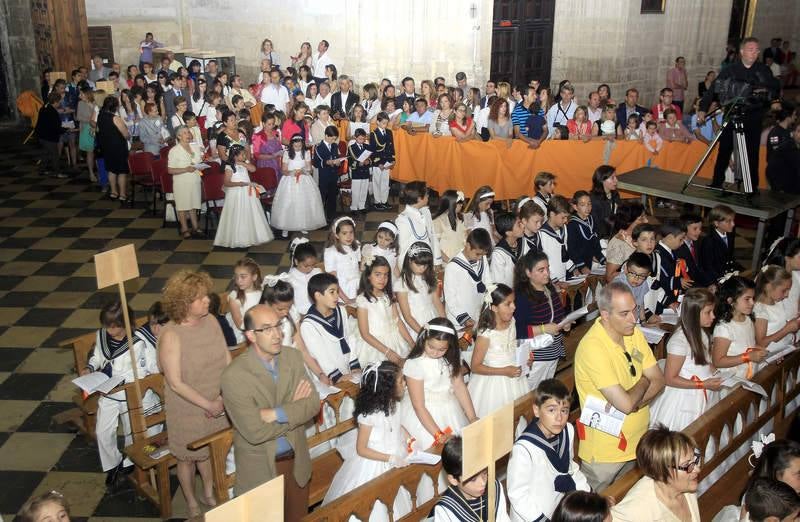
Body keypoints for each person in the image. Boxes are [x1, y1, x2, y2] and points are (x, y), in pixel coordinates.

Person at [220, 304, 318, 521]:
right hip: (262, 467)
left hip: (297, 462)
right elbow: (254, 432)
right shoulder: (234, 376)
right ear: (250, 335)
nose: (277, 334)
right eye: (267, 329)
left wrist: (275, 413)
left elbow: (313, 404)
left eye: (278, 326)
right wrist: (294, 410)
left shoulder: (292, 357)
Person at [574, 282, 665, 491]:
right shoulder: (593, 347)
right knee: (594, 509)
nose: (633, 319)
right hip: (605, 450)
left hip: (637, 441)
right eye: (624, 313)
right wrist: (643, 380)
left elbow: (659, 379)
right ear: (605, 315)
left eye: (634, 310)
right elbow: (625, 403)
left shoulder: (633, 333)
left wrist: (634, 403)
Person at [158, 270, 230, 518]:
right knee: (188, 458)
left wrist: (222, 396)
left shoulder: (210, 320)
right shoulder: (171, 334)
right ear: (184, 304)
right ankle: (190, 501)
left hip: (217, 397)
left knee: (210, 452)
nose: (207, 301)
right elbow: (175, 382)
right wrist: (208, 404)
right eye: (200, 298)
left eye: (206, 296)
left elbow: (226, 357)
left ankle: (208, 491)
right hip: (187, 406)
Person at [79, 300, 160, 485]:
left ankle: (129, 462)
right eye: (107, 326)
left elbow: (144, 370)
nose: (109, 331)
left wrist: (123, 379)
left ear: (124, 324)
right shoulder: (102, 336)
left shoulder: (138, 342)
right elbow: (97, 356)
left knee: (133, 430)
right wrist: (89, 368)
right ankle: (113, 463)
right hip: (107, 391)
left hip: (131, 394)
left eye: (114, 327)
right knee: (103, 431)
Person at [322, 361, 412, 521]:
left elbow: (398, 425)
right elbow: (361, 449)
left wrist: (410, 439)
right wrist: (389, 458)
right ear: (387, 387)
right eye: (400, 381)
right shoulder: (369, 415)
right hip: (374, 463)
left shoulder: (395, 404)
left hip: (396, 453)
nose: (405, 383)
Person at [698, 37, 781, 190]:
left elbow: (773, 87)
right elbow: (713, 91)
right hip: (731, 114)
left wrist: (775, 99)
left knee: (752, 153)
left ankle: (751, 187)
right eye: (751, 49)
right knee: (724, 150)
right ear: (742, 52)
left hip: (753, 117)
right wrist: (703, 109)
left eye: (757, 50)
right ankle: (717, 182)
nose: (755, 53)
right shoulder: (729, 70)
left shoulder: (763, 70)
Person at [508, 379, 591, 522]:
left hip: (556, 508)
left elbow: (570, 467)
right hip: (531, 516)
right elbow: (518, 495)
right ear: (536, 410)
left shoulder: (568, 430)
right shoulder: (523, 449)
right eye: (551, 410)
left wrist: (589, 495)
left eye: (564, 411)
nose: (559, 418)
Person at [649, 288, 722, 431]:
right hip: (684, 397)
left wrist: (718, 373)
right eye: (708, 312)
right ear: (694, 314)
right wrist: (702, 384)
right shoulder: (679, 341)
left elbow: (705, 363)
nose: (713, 316)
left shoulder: (703, 333)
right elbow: (670, 378)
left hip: (703, 391)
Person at [401, 318, 476, 450]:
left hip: (450, 408)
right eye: (431, 347)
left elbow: (459, 387)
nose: (435, 352)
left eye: (441, 349)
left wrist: (472, 417)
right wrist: (438, 434)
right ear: (423, 339)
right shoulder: (415, 365)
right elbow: (419, 406)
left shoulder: (450, 359)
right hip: (424, 416)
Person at [610, 426, 702, 521]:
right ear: (660, 472)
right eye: (687, 464)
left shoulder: (685, 485)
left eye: (694, 460)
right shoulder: (638, 508)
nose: (697, 469)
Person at [468, 283, 528, 417]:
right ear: (494, 307)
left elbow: (511, 347)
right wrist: (504, 371)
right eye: (508, 304)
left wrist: (524, 360)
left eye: (513, 302)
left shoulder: (512, 321)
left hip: (514, 376)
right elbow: (475, 366)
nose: (514, 307)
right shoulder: (486, 334)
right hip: (494, 382)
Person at [513, 251, 568, 389]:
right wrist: (544, 328)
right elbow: (518, 331)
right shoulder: (522, 297)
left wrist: (565, 324)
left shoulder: (549, 289)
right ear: (528, 273)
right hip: (536, 357)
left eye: (548, 268)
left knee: (546, 391)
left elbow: (558, 316)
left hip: (553, 351)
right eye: (541, 270)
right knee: (531, 393)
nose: (547, 273)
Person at [300, 272, 361, 383]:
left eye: (337, 291)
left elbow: (349, 337)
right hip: (329, 375)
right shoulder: (309, 324)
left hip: (348, 366)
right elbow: (320, 354)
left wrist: (354, 364)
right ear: (318, 296)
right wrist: (337, 376)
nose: (337, 296)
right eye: (332, 292)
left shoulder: (341, 310)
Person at [434, 435, 511, 521]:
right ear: (453, 480)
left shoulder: (494, 487)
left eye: (485, 473)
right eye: (473, 479)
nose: (483, 482)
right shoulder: (446, 510)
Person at [354, 255, 413, 366]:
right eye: (378, 275)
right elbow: (365, 334)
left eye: (386, 275)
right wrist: (387, 352)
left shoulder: (388, 296)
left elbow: (398, 321)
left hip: (395, 339)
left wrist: (411, 342)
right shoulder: (363, 300)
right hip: (376, 344)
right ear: (368, 276)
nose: (383, 279)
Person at [213, 144, 274, 248]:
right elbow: (227, 183)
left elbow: (253, 169)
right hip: (236, 193)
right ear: (235, 156)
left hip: (247, 193)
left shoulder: (245, 163)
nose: (245, 156)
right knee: (237, 214)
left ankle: (251, 236)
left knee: (249, 213)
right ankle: (237, 238)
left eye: (245, 154)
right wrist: (241, 183)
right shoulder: (229, 167)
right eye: (242, 155)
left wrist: (244, 163)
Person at [712, 275, 768, 380]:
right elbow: (718, 361)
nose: (752, 303)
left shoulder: (748, 319)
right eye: (747, 299)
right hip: (733, 379)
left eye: (753, 298)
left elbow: (746, 344)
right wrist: (748, 357)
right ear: (731, 301)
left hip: (749, 374)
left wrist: (760, 350)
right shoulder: (724, 328)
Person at [272, 135, 326, 236]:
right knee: (288, 203)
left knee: (303, 202)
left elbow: (309, 169)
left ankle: (303, 224)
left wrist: (302, 171)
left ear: (302, 145)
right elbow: (284, 170)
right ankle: (286, 226)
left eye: (299, 146)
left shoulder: (306, 153)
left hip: (303, 179)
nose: (297, 148)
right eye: (295, 146)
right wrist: (292, 172)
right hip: (289, 180)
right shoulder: (287, 153)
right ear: (292, 145)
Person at [444, 228, 493, 333]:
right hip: (459, 320)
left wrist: (489, 304)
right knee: (462, 347)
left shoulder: (482, 259)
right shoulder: (453, 267)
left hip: (478, 314)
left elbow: (488, 282)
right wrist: (464, 318)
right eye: (477, 254)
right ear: (468, 246)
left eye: (483, 255)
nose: (480, 258)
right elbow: (450, 299)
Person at [396, 241, 445, 337]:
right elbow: (407, 317)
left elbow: (436, 301)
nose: (422, 268)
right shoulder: (402, 283)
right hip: (415, 324)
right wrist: (423, 334)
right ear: (409, 261)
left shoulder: (429, 278)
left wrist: (445, 323)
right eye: (418, 265)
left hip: (431, 316)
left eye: (425, 265)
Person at [167, 125, 204, 238]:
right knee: (182, 205)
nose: (188, 134)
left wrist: (200, 166)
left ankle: (195, 226)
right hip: (181, 181)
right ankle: (184, 228)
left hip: (194, 180)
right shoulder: (174, 151)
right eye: (184, 133)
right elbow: (170, 170)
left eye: (188, 132)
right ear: (178, 136)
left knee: (193, 204)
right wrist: (185, 169)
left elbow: (198, 161)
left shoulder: (195, 147)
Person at [754, 265, 800, 351]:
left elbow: (779, 324)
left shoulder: (777, 302)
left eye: (789, 290)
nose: (787, 295)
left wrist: (792, 325)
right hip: (771, 356)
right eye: (784, 291)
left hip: (785, 348)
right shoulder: (761, 311)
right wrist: (786, 330)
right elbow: (761, 343)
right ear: (769, 287)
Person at [396, 181, 441, 266]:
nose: (428, 196)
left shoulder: (426, 212)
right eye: (427, 194)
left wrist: (437, 261)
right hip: (415, 266)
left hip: (429, 262)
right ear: (420, 198)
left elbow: (432, 235)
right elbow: (402, 249)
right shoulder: (403, 220)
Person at [96, 95, 130, 201]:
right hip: (118, 147)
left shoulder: (100, 116)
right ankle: (123, 194)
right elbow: (125, 134)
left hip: (106, 146)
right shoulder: (115, 118)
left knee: (111, 170)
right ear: (115, 107)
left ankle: (113, 192)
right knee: (121, 171)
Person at [699, 204, 741, 282]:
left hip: (727, 274)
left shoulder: (730, 233)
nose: (733, 224)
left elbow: (729, 256)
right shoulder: (709, 241)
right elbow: (708, 267)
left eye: (733, 220)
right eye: (728, 221)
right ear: (716, 223)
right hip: (716, 279)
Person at [567, 190, 605, 274]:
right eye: (583, 205)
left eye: (589, 204)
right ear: (575, 207)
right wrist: (582, 266)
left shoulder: (592, 219)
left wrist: (602, 259)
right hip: (578, 266)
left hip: (589, 263)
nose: (587, 207)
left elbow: (595, 244)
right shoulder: (572, 225)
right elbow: (572, 250)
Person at [313, 124, 345, 222]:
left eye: (335, 139)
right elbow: (316, 162)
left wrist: (338, 162)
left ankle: (331, 215)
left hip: (333, 174)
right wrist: (327, 162)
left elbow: (336, 157)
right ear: (326, 136)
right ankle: (319, 217)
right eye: (332, 138)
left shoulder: (335, 146)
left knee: (332, 195)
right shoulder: (318, 147)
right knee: (322, 196)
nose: (333, 141)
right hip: (324, 175)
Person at [540, 195, 575, 282]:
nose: (566, 221)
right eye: (563, 217)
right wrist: (554, 280)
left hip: (564, 275)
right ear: (552, 214)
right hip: (551, 279)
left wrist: (573, 268)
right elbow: (542, 262)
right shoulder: (542, 234)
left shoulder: (564, 228)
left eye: (567, 217)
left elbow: (564, 253)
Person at [767, 110, 800, 193]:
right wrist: (779, 189)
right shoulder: (785, 149)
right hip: (786, 190)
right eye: (799, 131)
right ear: (793, 133)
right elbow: (770, 169)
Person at [35, 91, 67, 178]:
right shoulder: (52, 112)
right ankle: (58, 173)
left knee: (46, 153)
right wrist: (66, 129)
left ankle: (41, 170)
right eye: (59, 101)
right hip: (49, 137)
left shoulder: (44, 108)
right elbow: (55, 127)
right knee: (54, 155)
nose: (60, 103)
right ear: (55, 102)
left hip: (42, 136)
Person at [433, 190, 468, 264]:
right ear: (451, 204)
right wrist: (450, 262)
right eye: (459, 203)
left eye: (462, 202)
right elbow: (435, 247)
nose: (461, 205)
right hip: (447, 264)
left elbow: (464, 242)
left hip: (462, 262)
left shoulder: (461, 220)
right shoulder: (438, 221)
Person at [370, 112, 395, 210]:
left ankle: (384, 201)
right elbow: (373, 150)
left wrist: (393, 160)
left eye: (386, 123)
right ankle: (377, 201)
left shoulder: (389, 132)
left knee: (385, 182)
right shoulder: (374, 134)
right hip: (378, 163)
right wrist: (378, 162)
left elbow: (391, 146)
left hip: (387, 161)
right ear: (378, 122)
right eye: (383, 123)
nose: (385, 125)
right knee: (377, 182)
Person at [491, 213, 524, 287]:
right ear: (509, 233)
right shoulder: (498, 254)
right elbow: (499, 283)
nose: (523, 226)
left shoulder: (524, 242)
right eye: (519, 224)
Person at [589, 165, 620, 239]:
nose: (616, 180)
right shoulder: (593, 201)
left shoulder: (615, 195)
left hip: (613, 232)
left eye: (616, 177)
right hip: (601, 237)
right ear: (602, 180)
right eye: (612, 178)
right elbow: (596, 227)